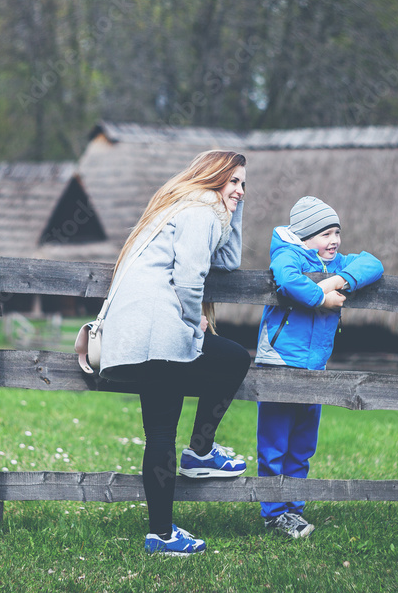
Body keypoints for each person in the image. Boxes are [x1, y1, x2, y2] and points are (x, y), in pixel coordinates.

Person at [99, 150, 252, 556]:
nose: (239, 190)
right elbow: (188, 278)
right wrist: (192, 321)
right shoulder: (200, 212)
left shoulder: (186, 208)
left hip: (138, 333)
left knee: (160, 433)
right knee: (235, 359)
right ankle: (200, 451)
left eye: (243, 183)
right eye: (233, 180)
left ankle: (161, 534)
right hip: (159, 328)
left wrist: (233, 211)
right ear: (212, 176)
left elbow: (230, 262)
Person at [254, 196, 383, 538]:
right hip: (281, 362)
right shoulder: (288, 254)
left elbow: (373, 263)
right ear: (307, 236)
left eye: (337, 232)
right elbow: (287, 279)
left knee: (302, 444)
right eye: (326, 233)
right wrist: (320, 297)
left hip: (317, 367)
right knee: (274, 443)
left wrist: (339, 281)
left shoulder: (336, 263)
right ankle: (274, 513)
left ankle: (294, 509)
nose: (334, 240)